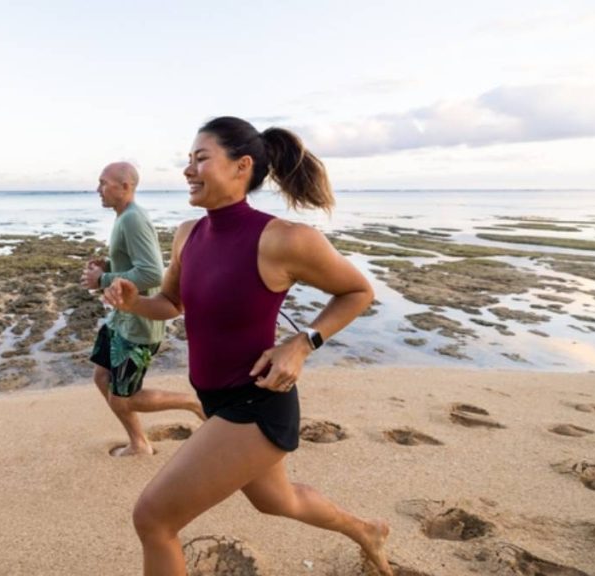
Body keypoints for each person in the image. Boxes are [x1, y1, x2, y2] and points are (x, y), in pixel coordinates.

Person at [102, 118, 393, 575]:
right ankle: (365, 530)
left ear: (242, 167)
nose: (187, 170)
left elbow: (358, 291)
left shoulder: (284, 238)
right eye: (188, 159)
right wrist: (135, 301)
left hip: (257, 403)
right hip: (215, 399)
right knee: (279, 500)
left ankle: (366, 531)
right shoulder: (187, 235)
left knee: (154, 519)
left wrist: (302, 342)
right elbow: (171, 304)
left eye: (201, 158)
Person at [82, 161, 205, 457]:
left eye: (103, 183)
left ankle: (192, 403)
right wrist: (109, 267)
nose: (98, 189)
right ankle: (139, 443)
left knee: (125, 398)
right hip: (119, 318)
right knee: (101, 377)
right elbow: (133, 266)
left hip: (139, 324)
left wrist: (104, 279)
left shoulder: (133, 219)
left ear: (126, 186)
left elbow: (152, 273)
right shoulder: (123, 217)